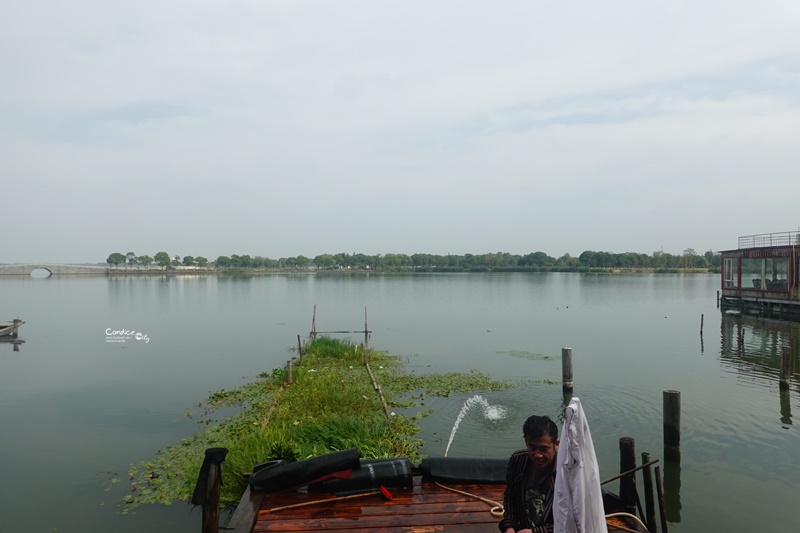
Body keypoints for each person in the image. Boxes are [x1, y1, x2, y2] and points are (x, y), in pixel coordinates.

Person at [499, 415, 560, 533]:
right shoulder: (518, 460)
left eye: (544, 449)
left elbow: (570, 520)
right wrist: (509, 526)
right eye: (532, 447)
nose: (538, 455)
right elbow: (510, 497)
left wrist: (536, 532)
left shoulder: (566, 472)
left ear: (556, 444)